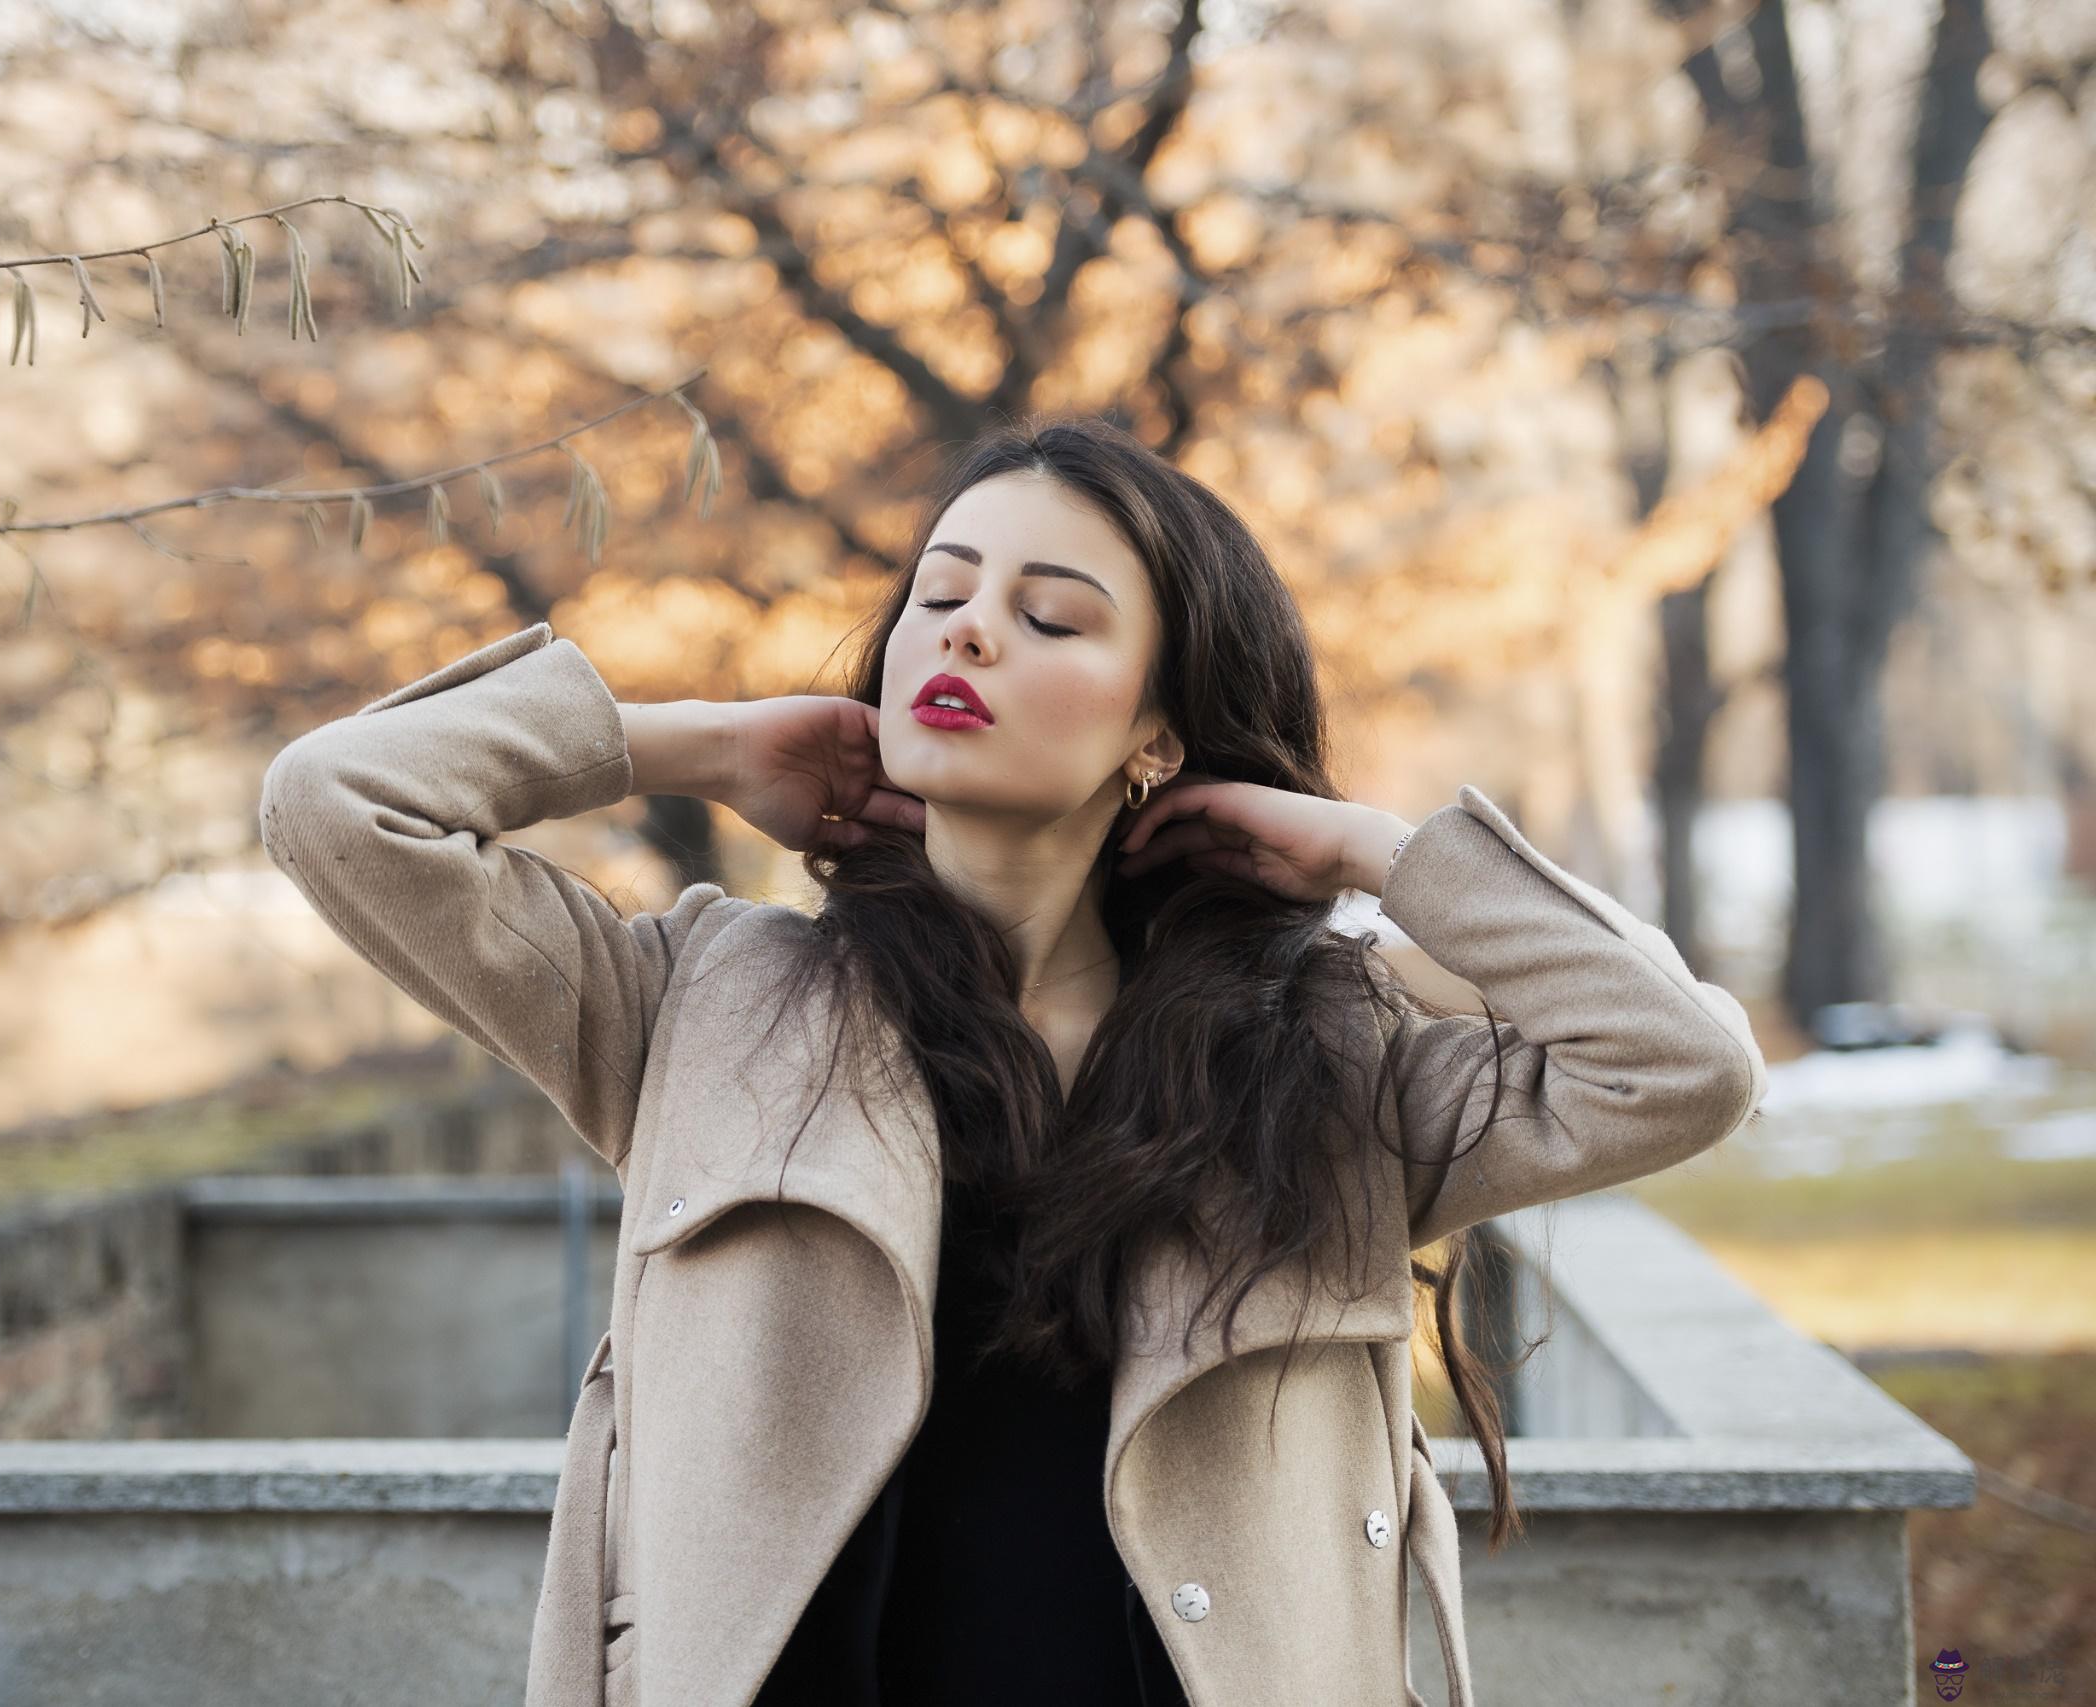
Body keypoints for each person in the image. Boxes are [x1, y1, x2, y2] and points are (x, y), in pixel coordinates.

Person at [257, 414, 1769, 1707]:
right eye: (939, 594)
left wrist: (1375, 851)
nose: (968, 630)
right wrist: (702, 744)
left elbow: (1678, 1064)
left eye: (1052, 617)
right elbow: (337, 806)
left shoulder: (1321, 1064)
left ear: (1156, 737)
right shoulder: (702, 1006)